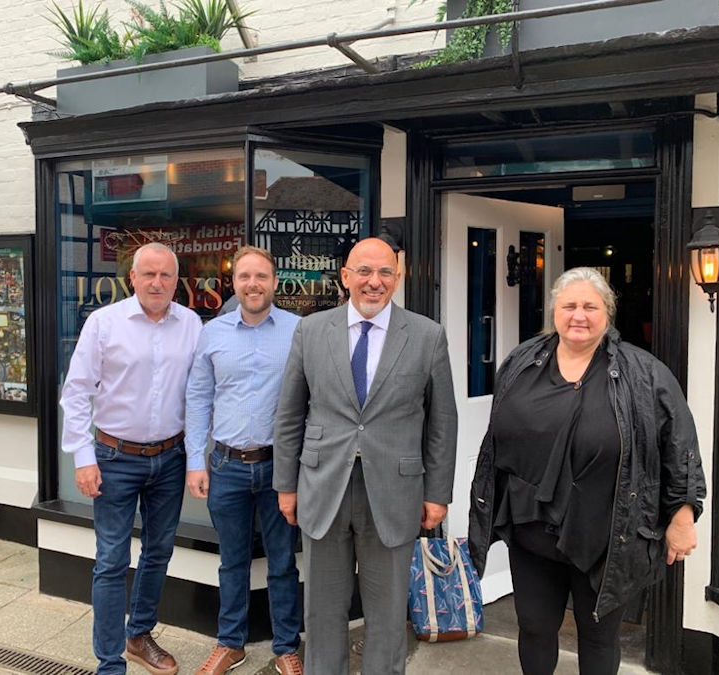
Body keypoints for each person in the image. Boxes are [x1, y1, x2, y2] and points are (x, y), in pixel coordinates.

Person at [469, 267, 706, 675]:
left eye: (590, 306)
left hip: (607, 535)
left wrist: (683, 513)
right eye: (570, 305)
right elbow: (495, 439)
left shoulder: (644, 373)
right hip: (531, 529)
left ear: (607, 313)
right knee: (535, 628)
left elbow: (680, 445)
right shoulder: (522, 361)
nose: (579, 315)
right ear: (555, 312)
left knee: (597, 636)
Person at [274, 237, 458, 675]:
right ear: (345, 277)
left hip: (394, 494)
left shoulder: (428, 335)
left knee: (388, 615)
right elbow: (289, 413)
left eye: (385, 273)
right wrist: (285, 485)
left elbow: (442, 422)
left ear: (398, 279)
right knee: (322, 612)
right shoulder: (311, 330)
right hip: (322, 489)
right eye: (364, 272)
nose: (374, 282)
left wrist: (438, 493)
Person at [60, 243, 202, 675]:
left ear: (177, 282)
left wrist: (196, 455)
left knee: (159, 551)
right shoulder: (104, 323)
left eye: (165, 276)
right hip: (113, 456)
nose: (157, 283)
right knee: (111, 560)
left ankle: (139, 635)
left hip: (170, 457)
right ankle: (109, 662)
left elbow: (198, 396)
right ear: (132, 278)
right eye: (148, 274)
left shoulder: (192, 324)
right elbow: (77, 392)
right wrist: (83, 457)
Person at [185, 246, 303, 675]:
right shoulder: (212, 333)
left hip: (281, 468)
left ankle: (286, 647)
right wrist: (195, 461)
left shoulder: (298, 330)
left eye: (261, 277)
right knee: (232, 560)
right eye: (244, 277)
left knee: (283, 562)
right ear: (232, 283)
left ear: (275, 282)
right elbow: (197, 398)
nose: (252, 284)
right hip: (225, 466)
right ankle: (230, 643)